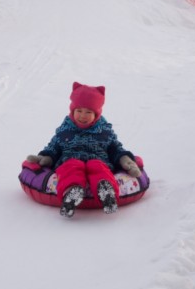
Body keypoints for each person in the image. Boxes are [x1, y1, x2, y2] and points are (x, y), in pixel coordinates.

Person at [26, 82, 142, 218]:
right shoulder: (65, 130)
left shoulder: (104, 131)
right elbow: (54, 146)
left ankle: (107, 192)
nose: (83, 115)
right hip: (70, 160)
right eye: (79, 111)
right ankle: (72, 194)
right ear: (72, 111)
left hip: (98, 160)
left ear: (96, 114)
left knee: (98, 167)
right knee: (71, 167)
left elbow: (115, 148)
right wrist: (47, 156)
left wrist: (125, 160)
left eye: (88, 112)